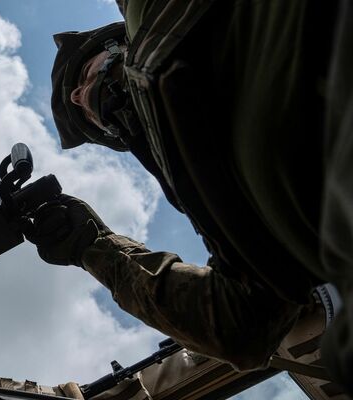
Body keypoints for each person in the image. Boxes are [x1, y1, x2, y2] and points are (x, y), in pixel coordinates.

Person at [32, 0, 352, 391]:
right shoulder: (224, 183)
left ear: (124, 43)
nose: (82, 97)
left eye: (84, 75)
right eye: (83, 110)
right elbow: (241, 324)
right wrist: (94, 248)